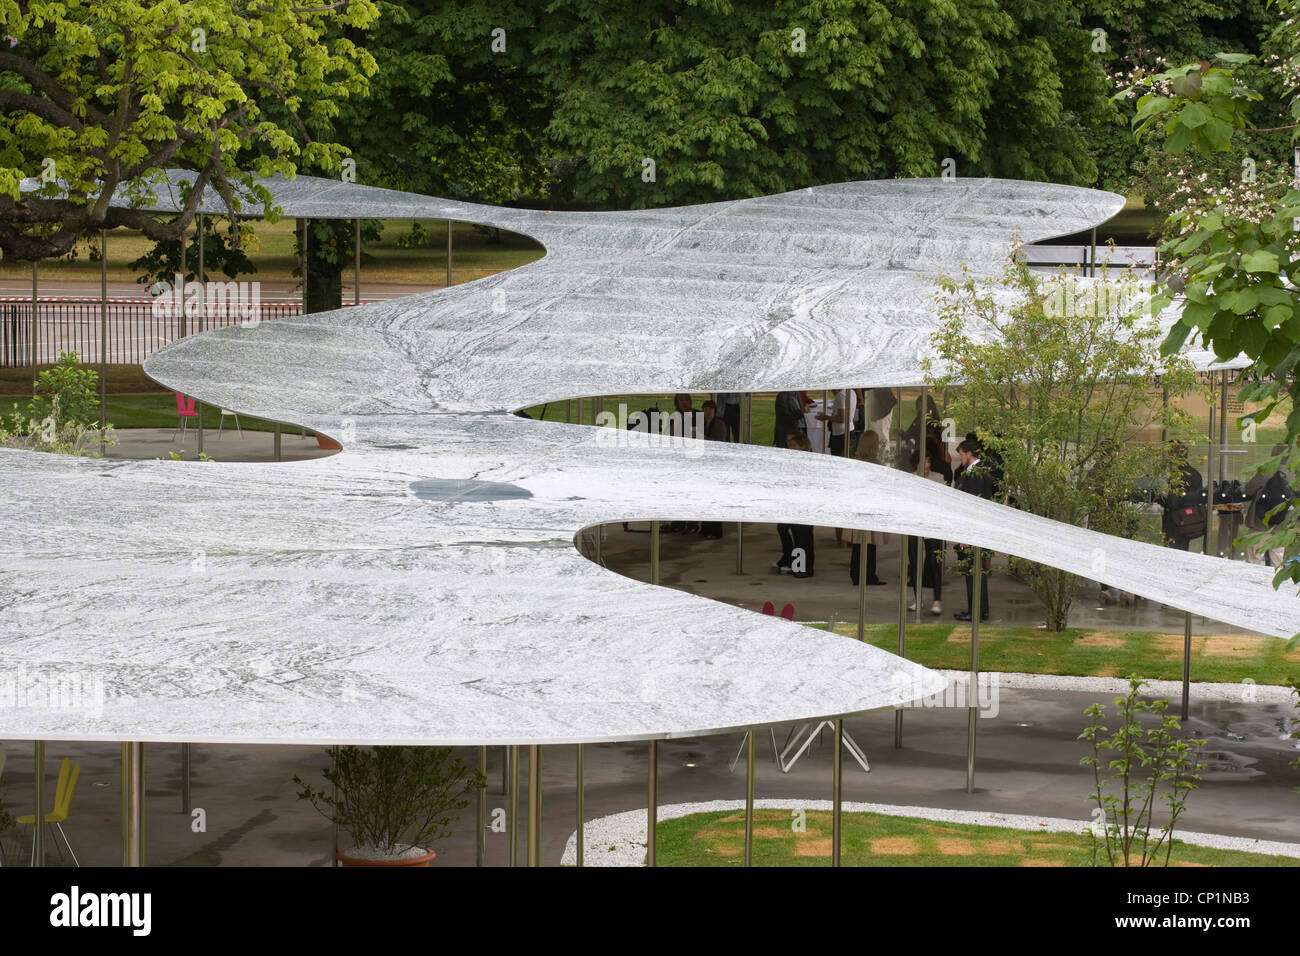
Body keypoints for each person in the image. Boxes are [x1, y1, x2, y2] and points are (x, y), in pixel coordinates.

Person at [953, 438, 992, 621]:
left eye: (961, 454)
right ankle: (980, 609)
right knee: (977, 571)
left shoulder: (976, 474)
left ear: (969, 454)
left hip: (973, 531)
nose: (960, 458)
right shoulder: (978, 472)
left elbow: (972, 507)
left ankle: (975, 610)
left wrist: (965, 534)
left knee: (972, 572)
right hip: (978, 530)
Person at [907, 449, 945, 615]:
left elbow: (940, 501)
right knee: (914, 563)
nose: (926, 465)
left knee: (934, 562)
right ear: (916, 463)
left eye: (928, 461)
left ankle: (937, 600)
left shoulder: (938, 478)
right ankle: (918, 598)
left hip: (932, 524)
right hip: (914, 524)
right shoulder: (909, 478)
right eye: (923, 462)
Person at [847, 430, 888, 585]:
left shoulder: (854, 463)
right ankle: (869, 575)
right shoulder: (876, 465)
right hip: (870, 508)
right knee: (870, 545)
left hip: (857, 507)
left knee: (858, 545)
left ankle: (856, 574)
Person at [1244, 444, 1291, 566]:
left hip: (1259, 524)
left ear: (1272, 456)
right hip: (1281, 525)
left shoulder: (1265, 471)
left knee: (1253, 560)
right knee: (1277, 563)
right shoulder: (1293, 475)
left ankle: (1252, 584)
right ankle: (1273, 584)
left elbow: (1249, 490)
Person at [1159, 441, 1205, 552]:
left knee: (1171, 551)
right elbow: (1195, 498)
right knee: (1182, 551)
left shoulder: (1176, 476)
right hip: (1189, 521)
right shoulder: (1195, 474)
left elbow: (1173, 503)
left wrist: (1159, 498)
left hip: (1174, 521)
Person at [698, 401, 728, 539]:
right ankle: (705, 527)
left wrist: (702, 438)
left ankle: (716, 530)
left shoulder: (719, 424)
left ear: (714, 410)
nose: (707, 411)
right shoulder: (702, 424)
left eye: (710, 409)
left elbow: (719, 443)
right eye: (705, 409)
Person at [816, 388, 857, 457]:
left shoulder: (840, 395)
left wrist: (826, 417)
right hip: (849, 430)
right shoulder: (852, 392)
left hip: (840, 435)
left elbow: (842, 418)